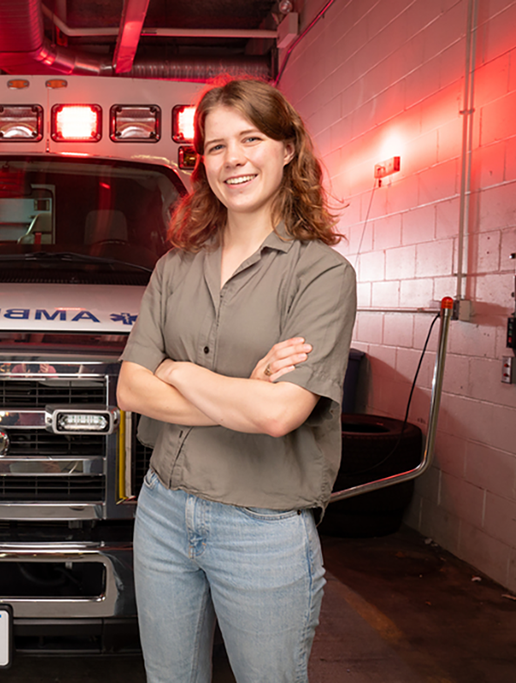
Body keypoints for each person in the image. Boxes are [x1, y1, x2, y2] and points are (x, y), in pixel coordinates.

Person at [116, 78, 357, 683]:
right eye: (215, 146)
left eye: (250, 138)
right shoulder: (175, 267)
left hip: (264, 527)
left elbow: (279, 416)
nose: (233, 160)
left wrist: (180, 371)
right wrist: (240, 391)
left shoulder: (322, 274)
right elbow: (130, 390)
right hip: (164, 512)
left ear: (286, 149)